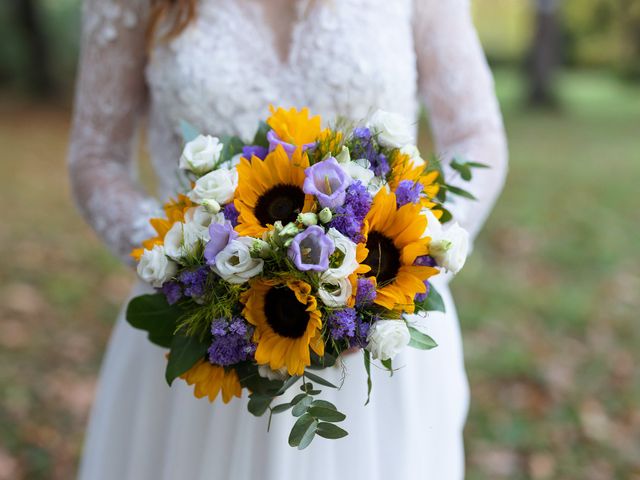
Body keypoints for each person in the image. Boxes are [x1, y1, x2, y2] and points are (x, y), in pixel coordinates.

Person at [68, 0, 508, 478]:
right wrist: (187, 267)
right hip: (201, 340)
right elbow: (96, 159)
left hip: (381, 349)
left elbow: (476, 135)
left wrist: (411, 262)